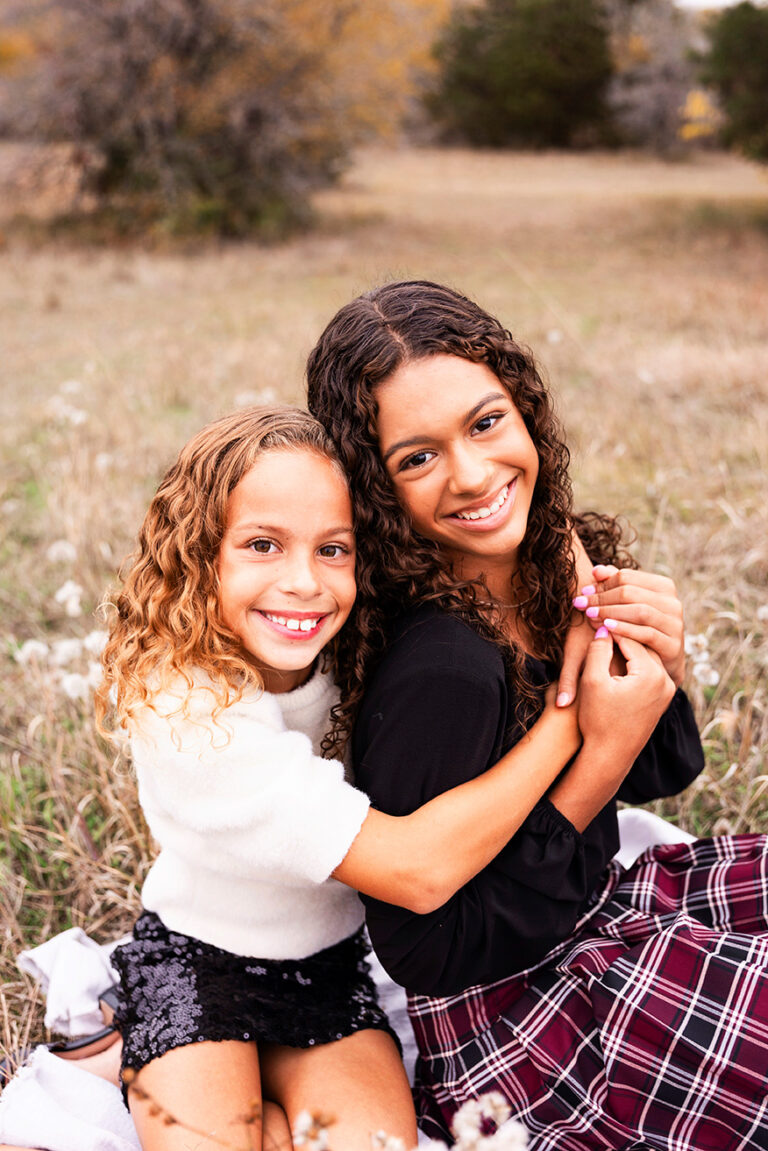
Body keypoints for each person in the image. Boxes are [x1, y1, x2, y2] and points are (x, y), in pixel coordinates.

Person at [94, 403, 647, 1151]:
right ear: (202, 556)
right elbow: (415, 872)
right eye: (262, 544)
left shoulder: (347, 641)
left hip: (327, 972)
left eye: (334, 548)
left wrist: (575, 573)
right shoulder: (188, 708)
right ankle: (139, 1031)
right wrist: (568, 716)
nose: (305, 583)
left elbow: (488, 542)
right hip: (198, 965)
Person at [306, 280, 768, 1151]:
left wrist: (659, 663)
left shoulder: (556, 555)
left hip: (602, 906)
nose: (474, 475)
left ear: (525, 410)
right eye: (417, 458)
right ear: (375, 489)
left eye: (485, 423)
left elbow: (666, 768)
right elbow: (424, 948)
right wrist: (593, 768)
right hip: (515, 1012)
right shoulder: (443, 666)